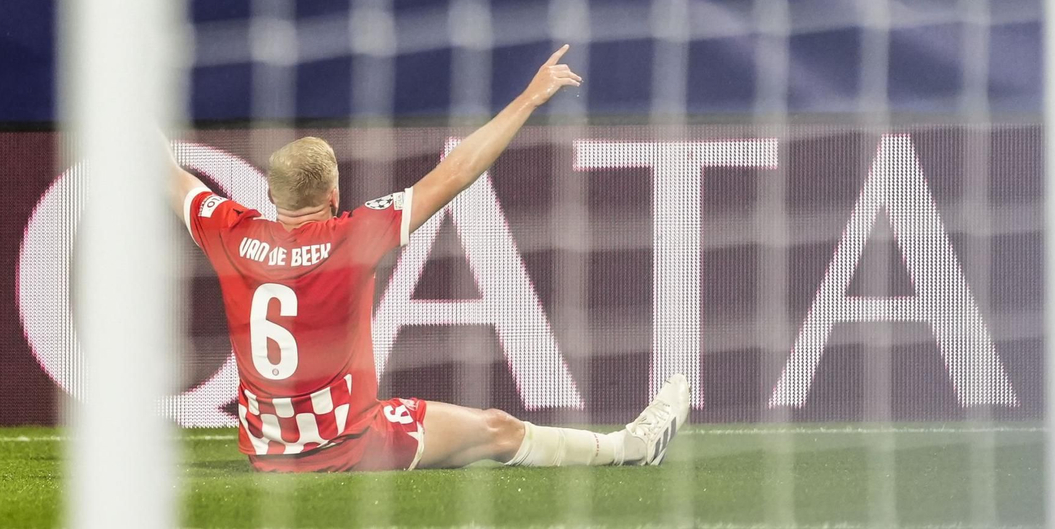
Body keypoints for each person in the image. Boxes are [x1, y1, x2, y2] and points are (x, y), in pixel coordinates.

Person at [166, 47, 691, 473]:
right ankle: (629, 448)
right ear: (333, 194)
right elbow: (456, 171)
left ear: (271, 195)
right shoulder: (351, 236)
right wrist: (529, 98)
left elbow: (169, 174)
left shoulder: (230, 231)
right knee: (497, 429)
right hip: (350, 446)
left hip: (268, 455)